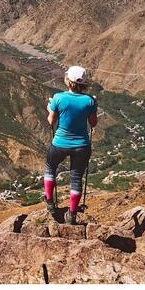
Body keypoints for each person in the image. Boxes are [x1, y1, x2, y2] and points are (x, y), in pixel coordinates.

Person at [44, 65, 98, 225]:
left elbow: (51, 122)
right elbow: (93, 124)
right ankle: (72, 214)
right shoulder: (89, 101)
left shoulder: (58, 98)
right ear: (84, 84)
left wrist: (50, 109)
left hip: (60, 142)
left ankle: (50, 202)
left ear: (68, 80)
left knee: (50, 168)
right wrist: (93, 107)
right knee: (76, 178)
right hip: (82, 145)